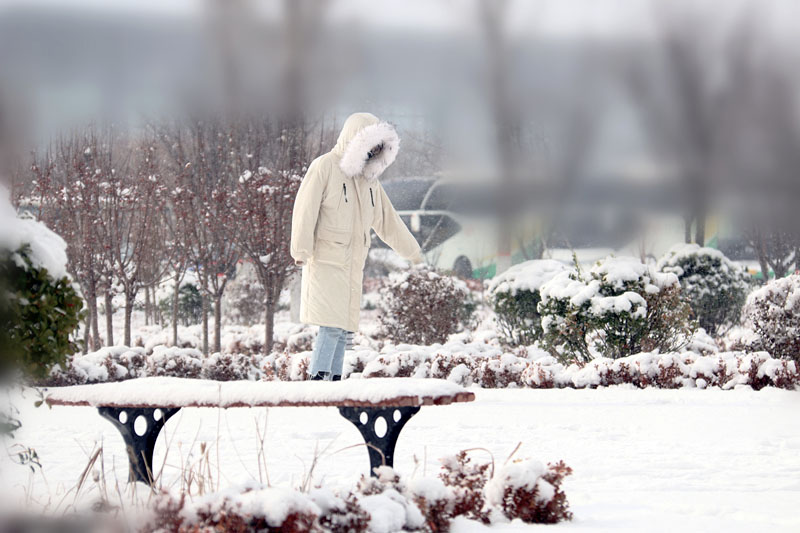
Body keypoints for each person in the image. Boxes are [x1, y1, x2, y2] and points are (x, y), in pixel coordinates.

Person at [290, 112, 424, 381]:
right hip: (326, 261)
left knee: (342, 328)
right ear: (356, 142)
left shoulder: (369, 183)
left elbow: (388, 221)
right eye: (369, 146)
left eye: (377, 148)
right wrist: (301, 250)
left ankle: (333, 382)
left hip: (353, 265)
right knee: (331, 326)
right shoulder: (325, 167)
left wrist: (414, 253)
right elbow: (305, 209)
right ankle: (318, 381)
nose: (372, 153)